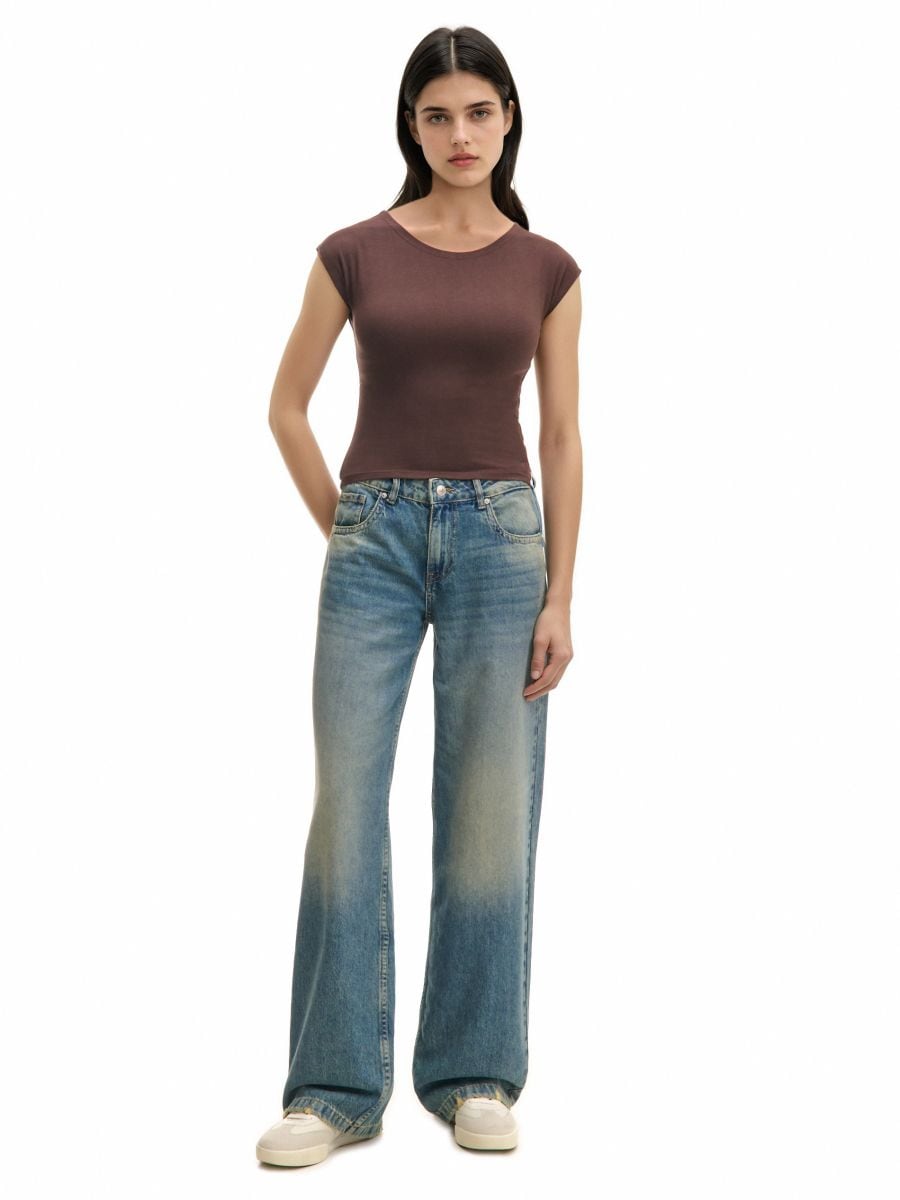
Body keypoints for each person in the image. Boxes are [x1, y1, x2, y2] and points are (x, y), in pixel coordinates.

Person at [257, 24, 582, 1167]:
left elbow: (561, 435)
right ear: (412, 125)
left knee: (491, 808)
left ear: (508, 118)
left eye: (479, 112)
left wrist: (562, 594)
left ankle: (474, 1071)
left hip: (503, 544)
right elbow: (286, 407)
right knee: (345, 805)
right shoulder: (352, 252)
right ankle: (333, 1088)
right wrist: (346, 525)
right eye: (438, 115)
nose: (460, 134)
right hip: (376, 540)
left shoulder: (546, 269)